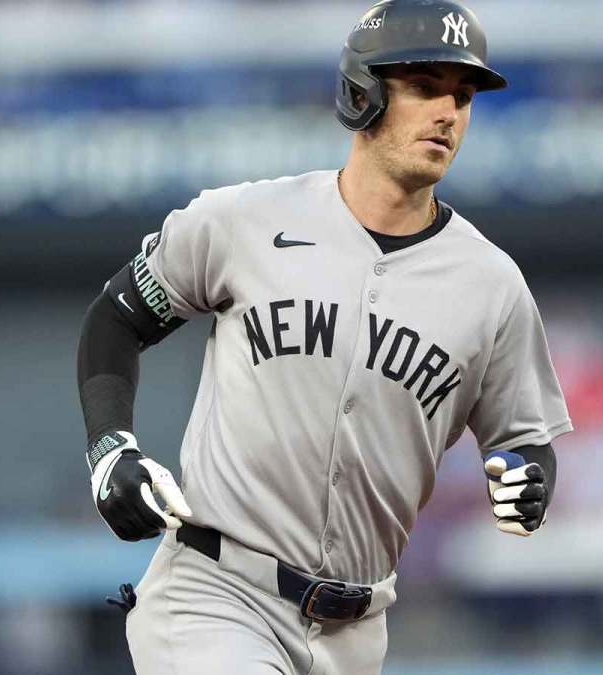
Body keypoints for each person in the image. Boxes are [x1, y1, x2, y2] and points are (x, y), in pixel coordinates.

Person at [75, 1, 572, 673]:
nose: (448, 112)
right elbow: (117, 317)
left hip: (356, 632)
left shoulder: (491, 285)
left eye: (462, 95)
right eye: (425, 87)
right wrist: (111, 449)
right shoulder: (245, 221)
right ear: (362, 91)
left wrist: (529, 481)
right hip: (216, 596)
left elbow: (524, 439)